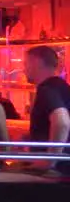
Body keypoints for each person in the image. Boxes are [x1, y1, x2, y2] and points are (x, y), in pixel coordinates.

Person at [25, 45, 70, 174]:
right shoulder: (62, 86)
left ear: (36, 63)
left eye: (26, 63)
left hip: (54, 172)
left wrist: (50, 160)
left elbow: (62, 122)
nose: (24, 69)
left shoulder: (47, 89)